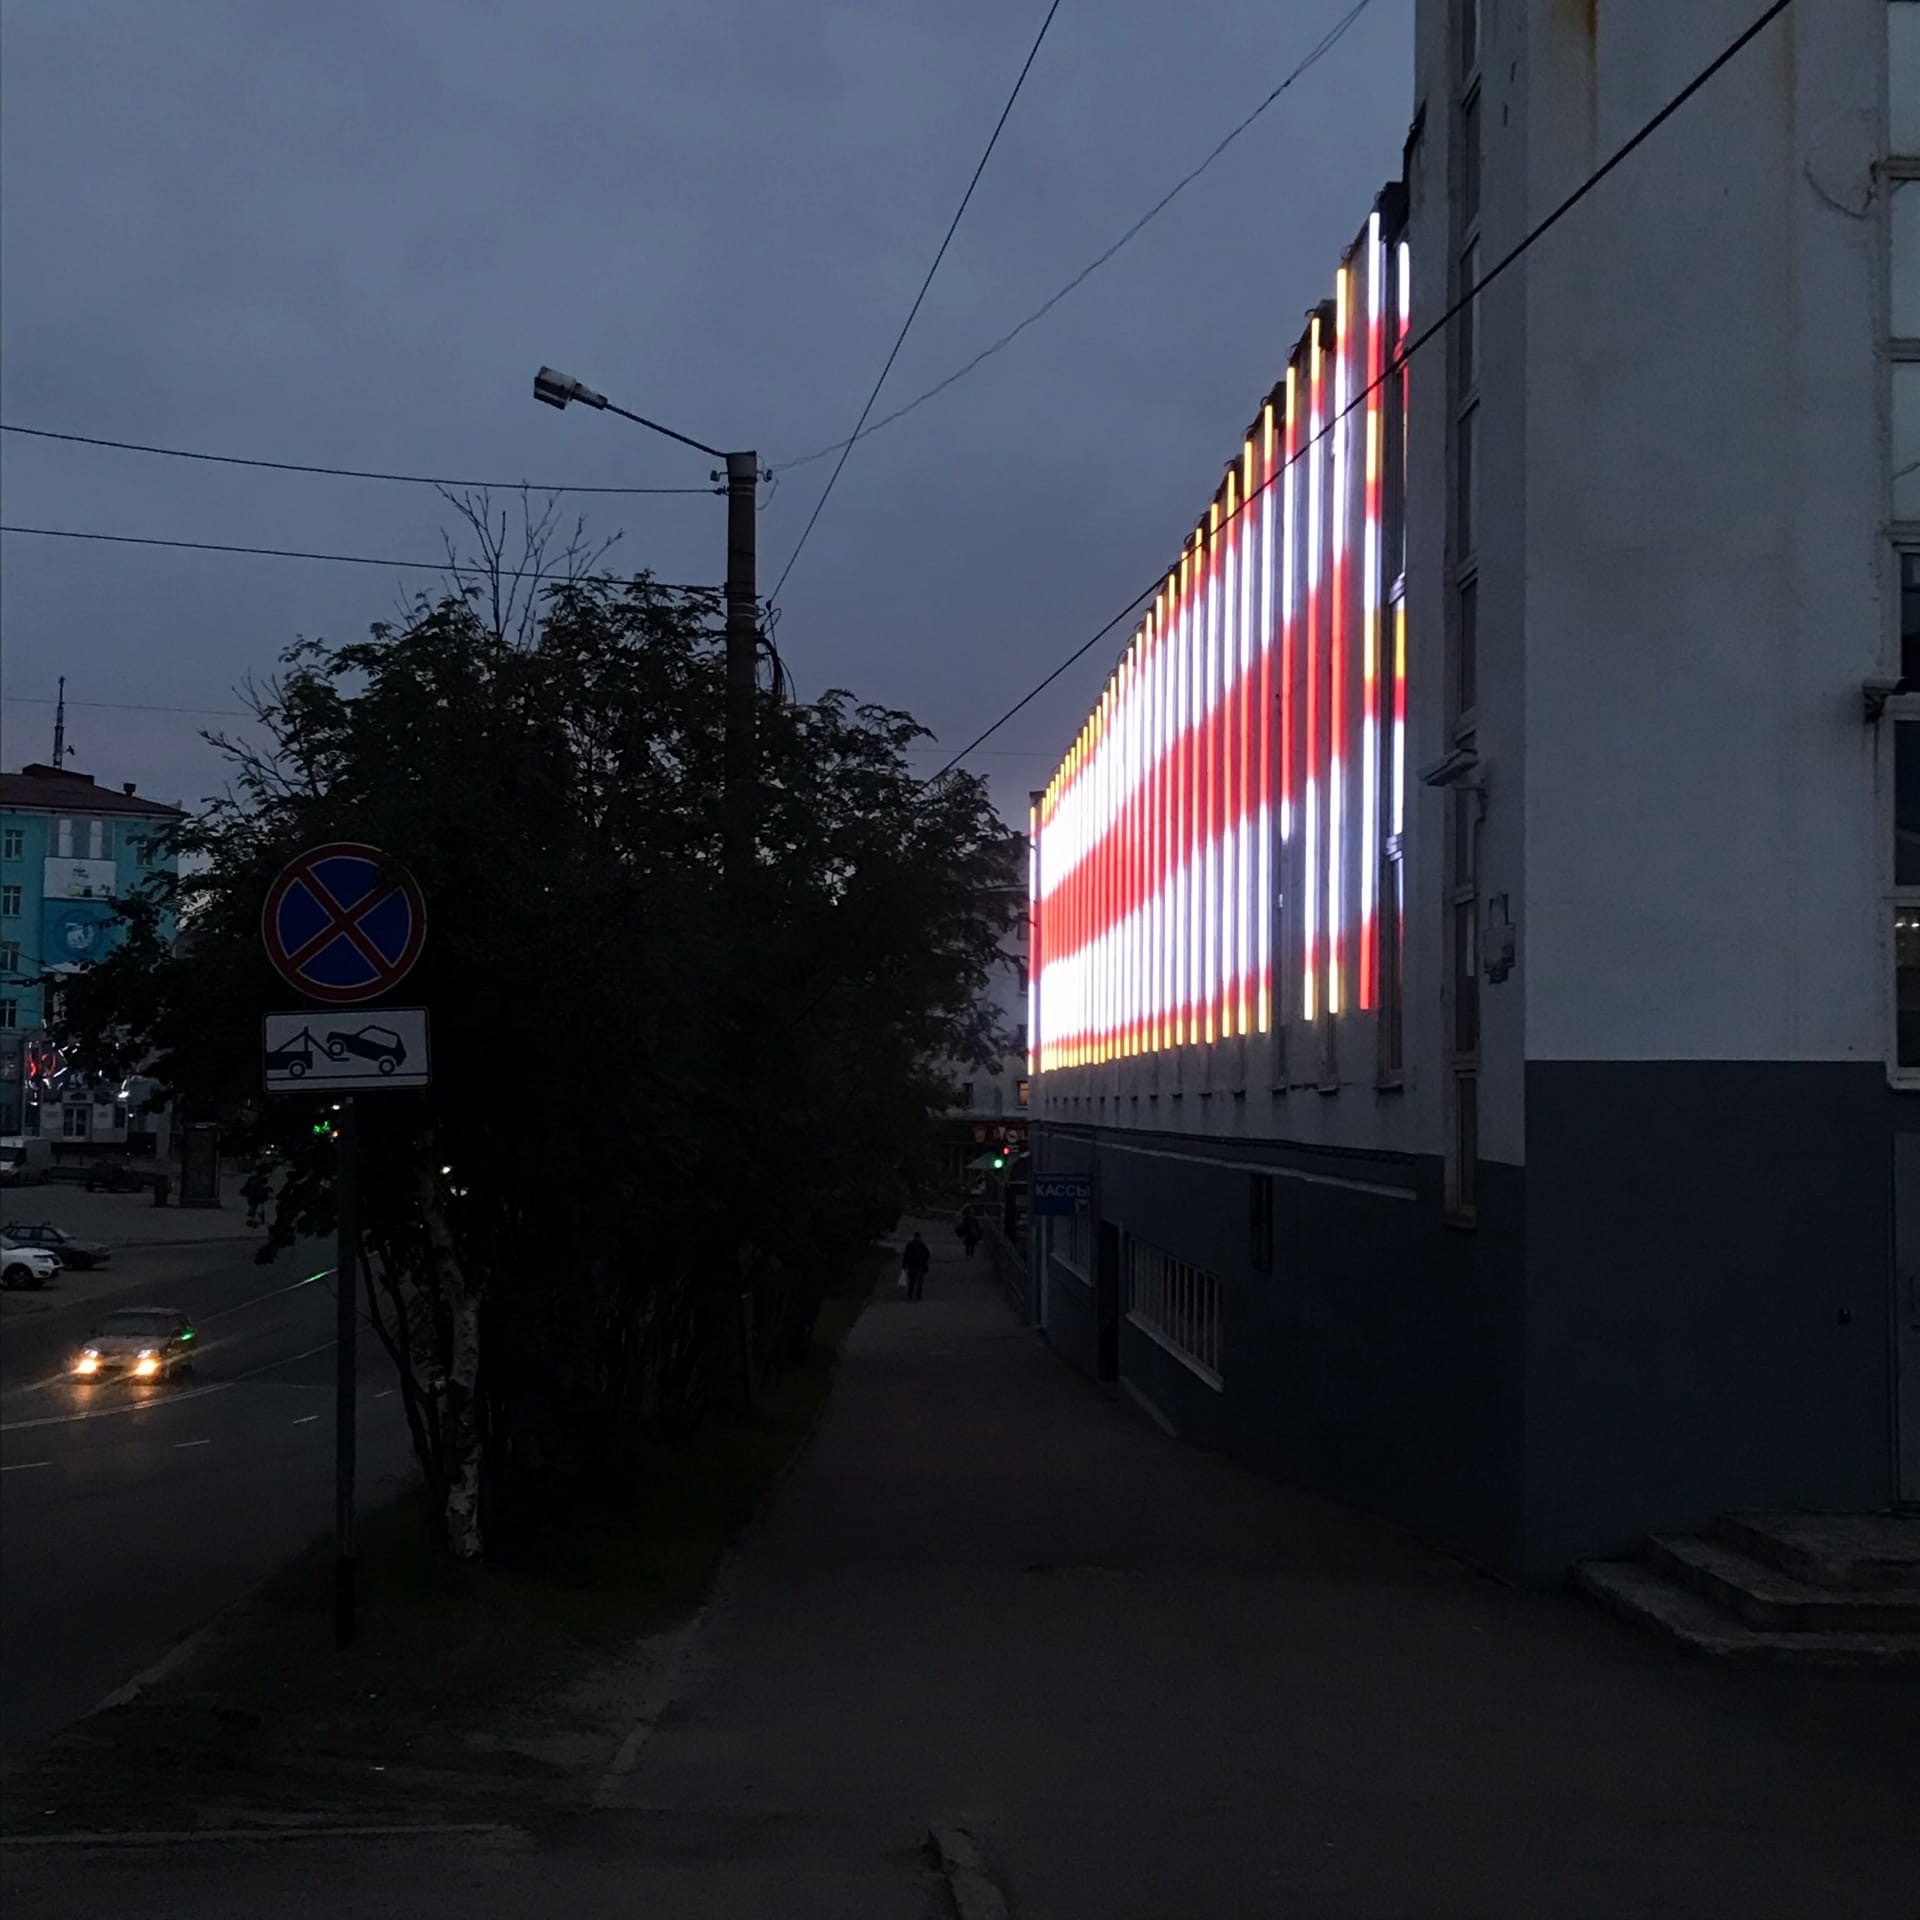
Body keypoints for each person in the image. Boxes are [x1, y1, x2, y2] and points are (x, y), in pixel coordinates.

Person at [901, 1230, 931, 1302]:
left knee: (912, 1281)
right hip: (919, 1265)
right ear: (919, 1237)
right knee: (918, 1282)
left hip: (912, 1265)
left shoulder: (910, 1245)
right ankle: (918, 1296)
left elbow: (906, 1255)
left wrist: (904, 1265)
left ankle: (911, 1295)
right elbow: (927, 1254)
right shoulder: (922, 1245)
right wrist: (924, 1261)